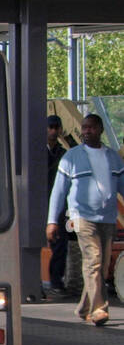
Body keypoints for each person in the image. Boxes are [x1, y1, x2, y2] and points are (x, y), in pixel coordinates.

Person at [47, 112, 124, 325]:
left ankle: (83, 308)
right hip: (82, 217)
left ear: (100, 130)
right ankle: (99, 309)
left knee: (102, 263)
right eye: (84, 127)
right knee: (94, 259)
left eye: (90, 127)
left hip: (107, 218)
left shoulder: (112, 157)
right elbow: (58, 192)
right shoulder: (71, 157)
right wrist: (52, 221)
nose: (86, 131)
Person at [46, 114, 68, 297]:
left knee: (60, 243)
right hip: (38, 201)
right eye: (50, 127)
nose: (53, 131)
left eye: (56, 127)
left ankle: (56, 281)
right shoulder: (36, 152)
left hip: (59, 203)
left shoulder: (64, 154)